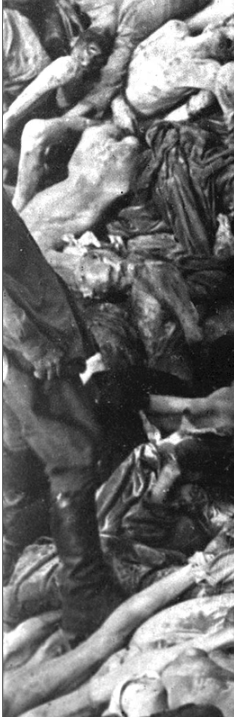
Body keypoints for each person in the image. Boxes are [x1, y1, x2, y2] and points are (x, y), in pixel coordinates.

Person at [2, 193, 125, 641]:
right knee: (72, 451)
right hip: (24, 346)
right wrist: (32, 344)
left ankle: (9, 569)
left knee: (19, 450)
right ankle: (85, 594)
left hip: (17, 343)